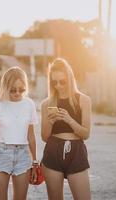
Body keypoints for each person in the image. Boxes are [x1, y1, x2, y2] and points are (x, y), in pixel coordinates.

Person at [41, 58, 92, 200]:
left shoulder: (83, 100)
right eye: (54, 82)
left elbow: (86, 134)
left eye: (62, 81)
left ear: (70, 79)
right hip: (53, 150)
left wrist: (70, 120)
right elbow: (44, 137)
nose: (58, 85)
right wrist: (50, 123)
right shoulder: (47, 103)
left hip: (76, 151)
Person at [0, 67, 38, 200]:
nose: (17, 93)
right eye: (13, 90)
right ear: (5, 87)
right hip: (1, 154)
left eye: (22, 89)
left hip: (23, 155)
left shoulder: (29, 104)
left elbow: (31, 136)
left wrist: (35, 162)